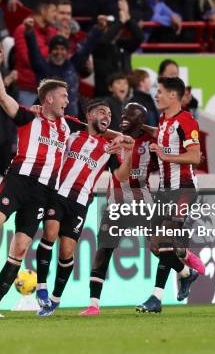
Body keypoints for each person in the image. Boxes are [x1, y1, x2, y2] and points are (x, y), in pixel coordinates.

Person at [0, 46, 88, 318]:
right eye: (63, 96)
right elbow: (2, 96)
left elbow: (96, 130)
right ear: (48, 99)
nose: (67, 100)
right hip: (18, 181)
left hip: (43, 193)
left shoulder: (68, 125)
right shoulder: (29, 116)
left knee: (21, 247)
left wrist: (121, 137)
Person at [35, 99, 134, 316]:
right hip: (58, 194)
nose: (107, 116)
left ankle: (54, 299)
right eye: (101, 112)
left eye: (109, 113)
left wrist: (129, 151)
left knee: (67, 251)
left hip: (80, 202)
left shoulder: (109, 148)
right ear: (89, 116)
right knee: (50, 233)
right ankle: (41, 288)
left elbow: (123, 175)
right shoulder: (71, 137)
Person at [79, 103, 157, 316]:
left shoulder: (151, 141)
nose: (123, 117)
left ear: (140, 121)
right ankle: (93, 304)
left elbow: (166, 136)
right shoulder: (113, 141)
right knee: (104, 249)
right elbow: (119, 175)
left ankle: (185, 268)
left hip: (143, 201)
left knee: (159, 248)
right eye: (122, 113)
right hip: (117, 202)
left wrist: (145, 130)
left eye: (130, 115)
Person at [136, 76, 205, 314]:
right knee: (155, 245)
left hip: (184, 188)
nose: (156, 95)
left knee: (164, 240)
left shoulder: (187, 120)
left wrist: (165, 156)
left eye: (160, 91)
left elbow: (195, 156)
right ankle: (186, 272)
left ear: (173, 95)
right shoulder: (165, 122)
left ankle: (156, 298)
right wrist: (138, 128)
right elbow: (162, 134)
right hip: (164, 190)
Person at [24, 15, 104, 116]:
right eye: (56, 48)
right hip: (47, 121)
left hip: (71, 121)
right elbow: (33, 51)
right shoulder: (42, 67)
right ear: (50, 51)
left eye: (62, 49)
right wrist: (29, 32)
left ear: (67, 51)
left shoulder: (74, 64)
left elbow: (87, 46)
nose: (59, 52)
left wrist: (99, 29)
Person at [12, 0, 57, 107]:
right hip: (28, 90)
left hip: (49, 91)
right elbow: (29, 59)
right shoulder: (23, 30)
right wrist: (51, 48)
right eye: (53, 11)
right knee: (27, 123)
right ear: (42, 11)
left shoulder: (52, 31)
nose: (56, 15)